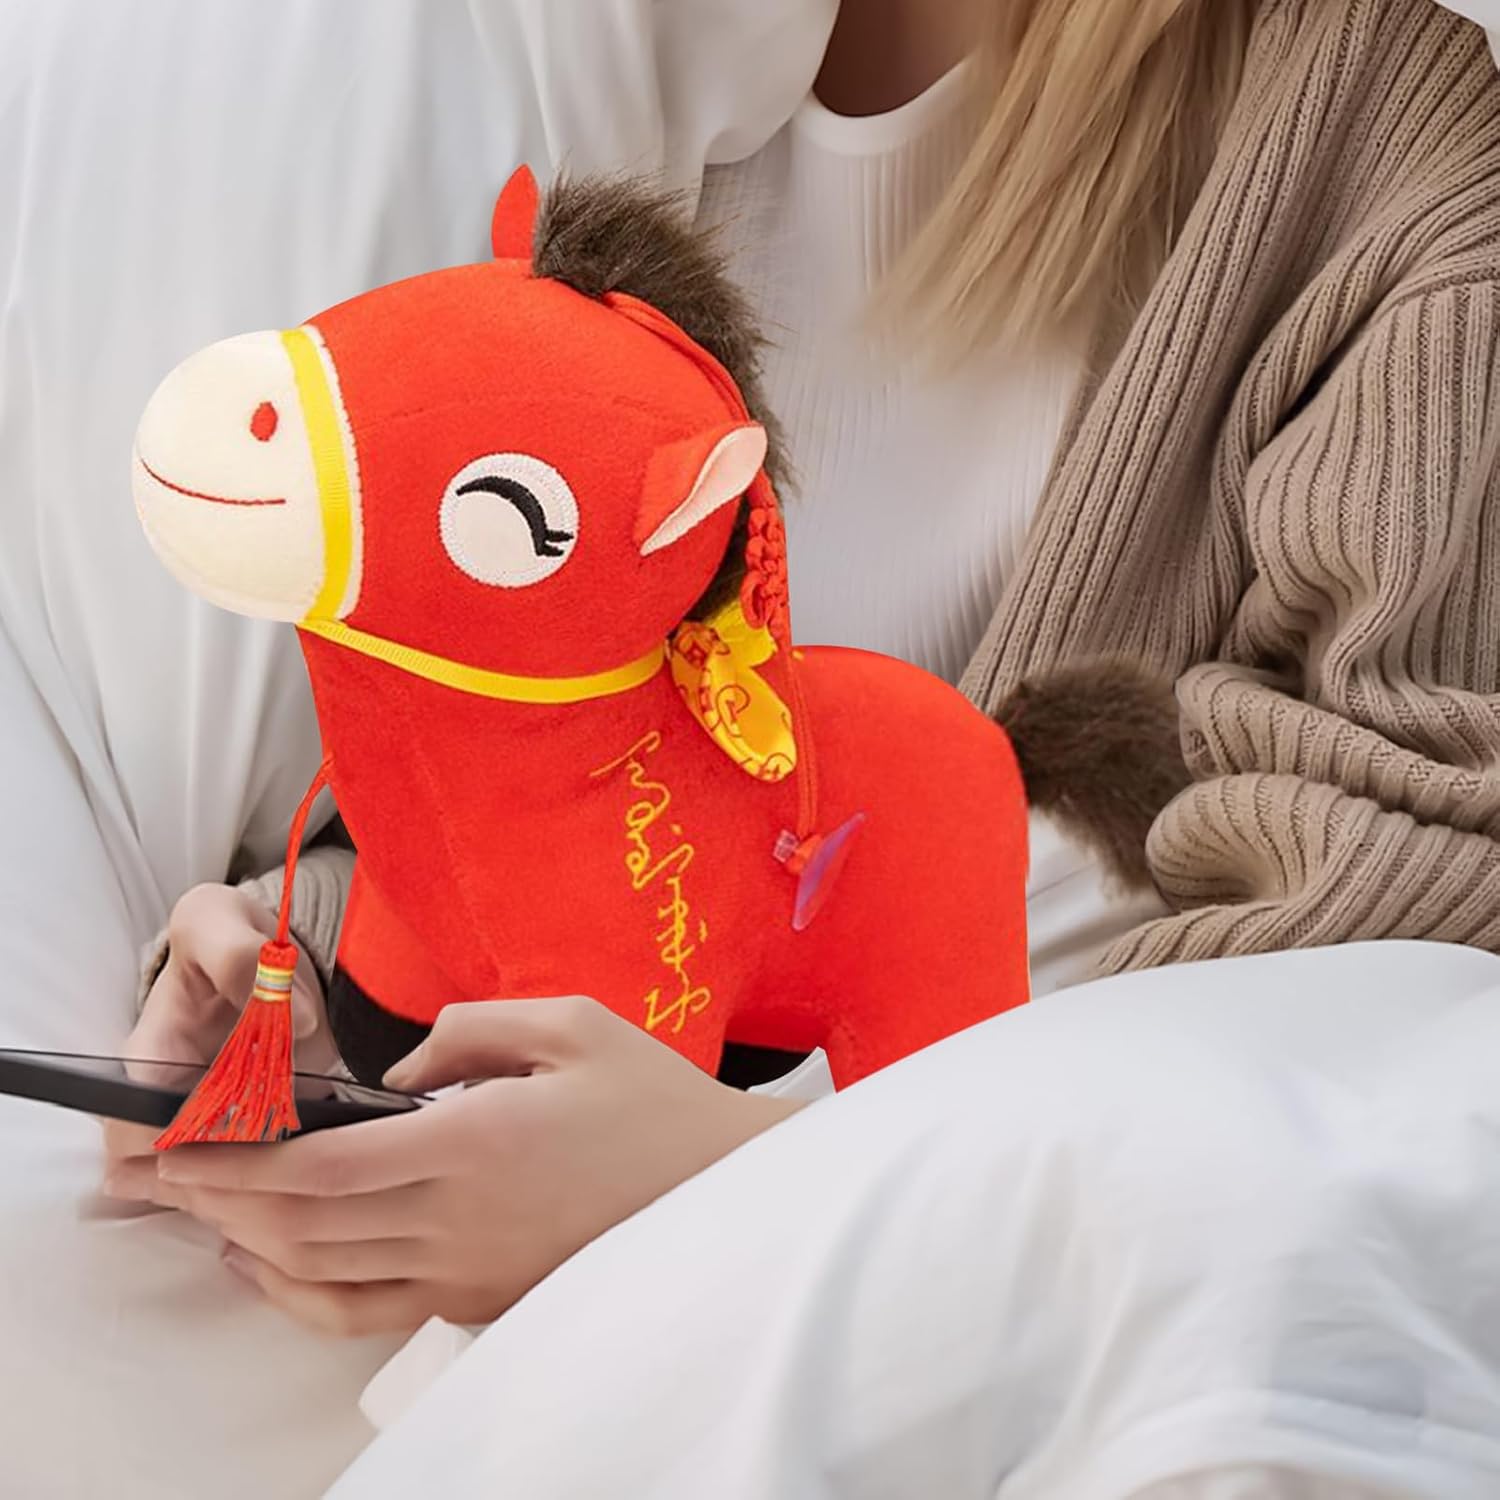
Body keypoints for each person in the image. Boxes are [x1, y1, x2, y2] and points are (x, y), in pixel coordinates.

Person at [4, 0, 1498, 1494]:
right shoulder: (529, 64)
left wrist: (736, 1172)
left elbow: (1393, 932)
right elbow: (514, 739)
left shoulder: (1376, 149)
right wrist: (325, 980)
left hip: (920, 1337)